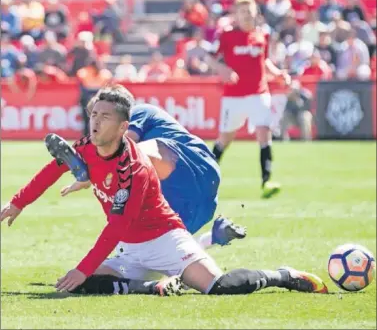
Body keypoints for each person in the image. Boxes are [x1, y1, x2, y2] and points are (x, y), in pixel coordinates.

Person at [1, 85, 328, 297]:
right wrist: (18, 203)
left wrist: (83, 265)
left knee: (219, 287)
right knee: (79, 285)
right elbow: (51, 169)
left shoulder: (136, 161)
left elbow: (118, 224)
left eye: (104, 116)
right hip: (144, 237)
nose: (95, 122)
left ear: (123, 125)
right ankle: (151, 285)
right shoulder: (87, 148)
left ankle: (282, 275)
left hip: (175, 213)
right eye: (92, 115)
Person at [62, 103, 246, 248]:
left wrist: (89, 172)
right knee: (159, 252)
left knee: (132, 152)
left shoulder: (137, 112)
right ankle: (214, 237)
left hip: (192, 164)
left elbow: (126, 144)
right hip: (194, 201)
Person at [205, 0, 291, 198]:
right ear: (236, 14)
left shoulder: (263, 35)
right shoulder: (226, 35)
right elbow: (210, 58)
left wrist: (278, 73)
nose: (246, 15)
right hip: (233, 96)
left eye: (249, 11)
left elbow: (265, 61)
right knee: (225, 139)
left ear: (255, 12)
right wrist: (223, 70)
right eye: (241, 11)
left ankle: (266, 181)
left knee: (264, 131)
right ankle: (204, 176)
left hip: (258, 93)